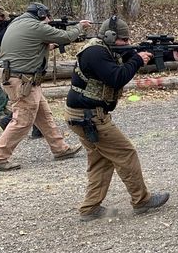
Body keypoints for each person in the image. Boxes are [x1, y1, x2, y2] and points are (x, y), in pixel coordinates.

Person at [65, 16, 170, 221]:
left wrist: (171, 53)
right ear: (111, 37)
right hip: (89, 117)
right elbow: (117, 77)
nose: (127, 43)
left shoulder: (108, 48)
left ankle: (90, 208)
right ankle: (142, 201)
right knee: (125, 153)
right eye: (124, 39)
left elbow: (137, 55)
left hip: (83, 115)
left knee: (101, 160)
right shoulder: (95, 53)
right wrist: (138, 60)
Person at [0, 2, 91, 171]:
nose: (49, 20)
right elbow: (65, 37)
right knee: (22, 121)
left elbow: (32, 46)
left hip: (19, 78)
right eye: (47, 17)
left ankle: (60, 148)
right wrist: (79, 27)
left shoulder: (19, 22)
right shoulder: (35, 26)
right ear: (41, 14)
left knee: (43, 114)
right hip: (21, 80)